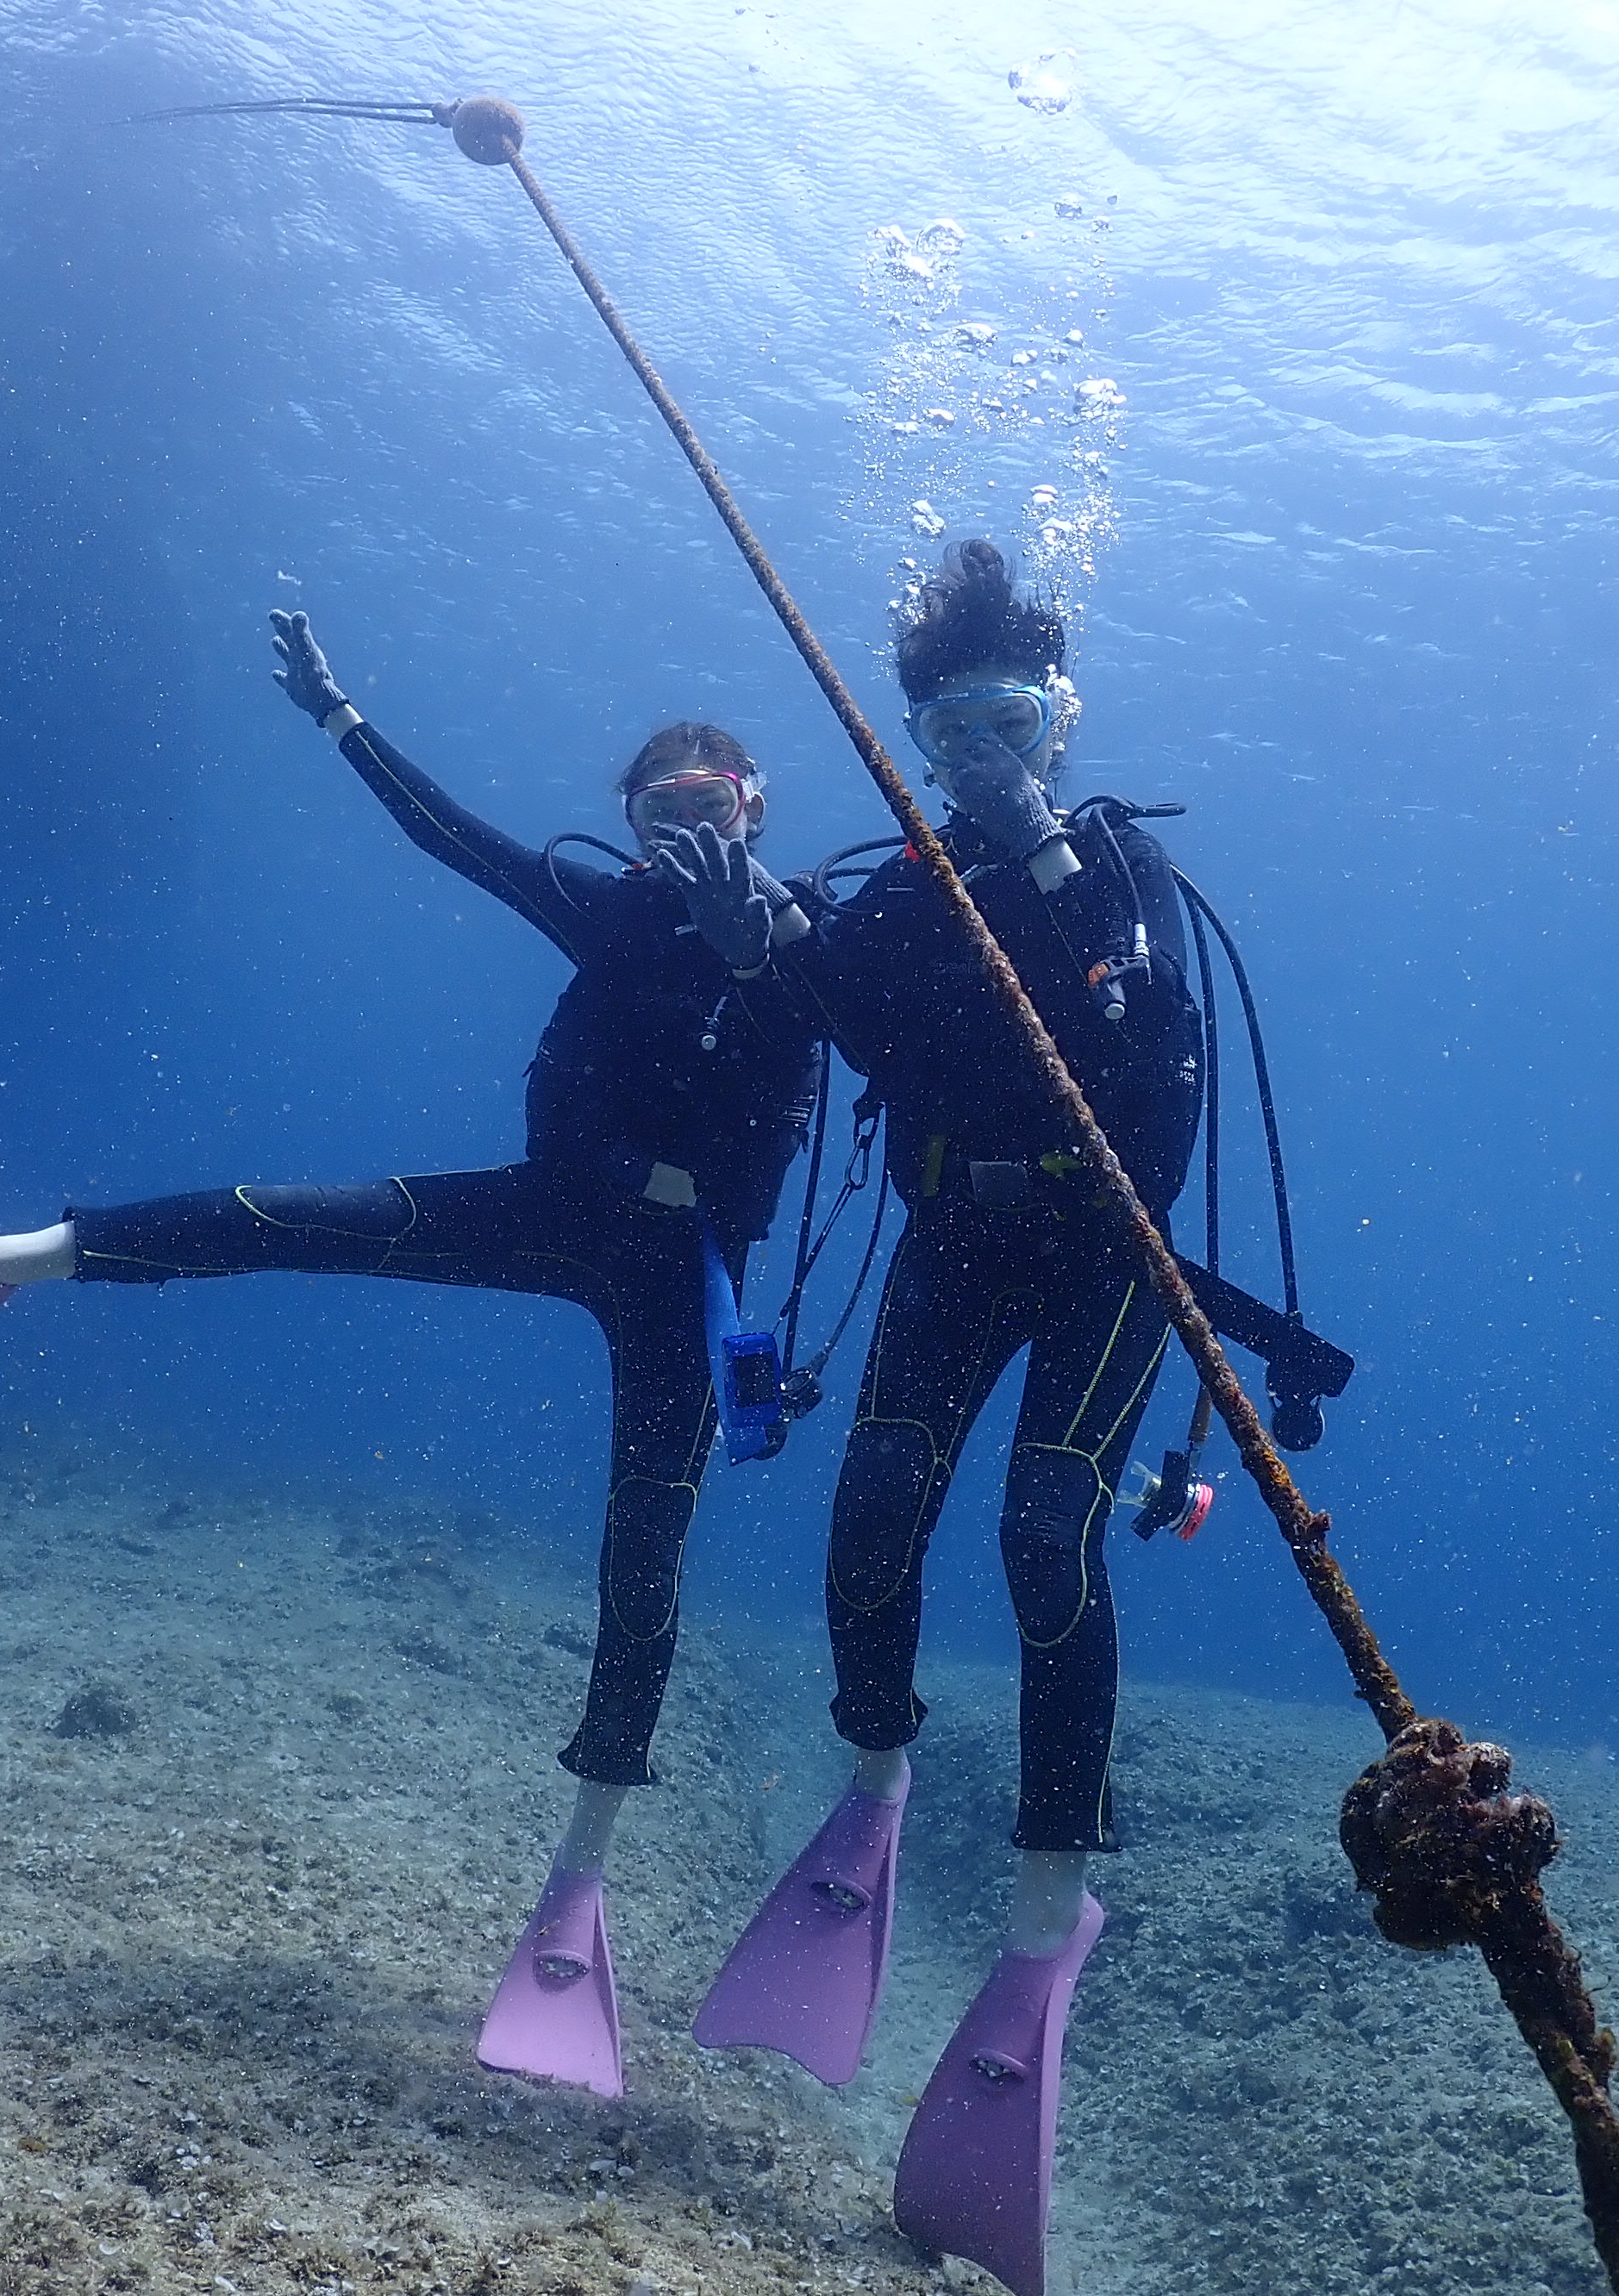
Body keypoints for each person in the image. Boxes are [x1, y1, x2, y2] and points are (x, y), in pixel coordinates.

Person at [0, 608, 819, 2102]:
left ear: (755, 809)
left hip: (688, 1277)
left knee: (646, 1557)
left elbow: (899, 1036)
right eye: (657, 810)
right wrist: (340, 717)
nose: (683, 832)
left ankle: (577, 1893)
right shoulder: (608, 913)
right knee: (278, 1214)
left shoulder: (816, 949)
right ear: (629, 826)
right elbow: (455, 836)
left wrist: (779, 961)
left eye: (709, 805)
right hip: (554, 1211)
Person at [660, 537, 1197, 2296]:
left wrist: (1046, 858)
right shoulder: (908, 886)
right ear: (914, 736)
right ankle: (874, 1789)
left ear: (1059, 717)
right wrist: (759, 945)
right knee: (874, 1507)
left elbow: (1160, 1067)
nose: (977, 753)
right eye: (946, 727)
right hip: (959, 1235)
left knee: (1043, 1528)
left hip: (1105, 1251)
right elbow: (833, 1008)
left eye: (1007, 719)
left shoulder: (1114, 868)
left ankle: (1046, 1918)